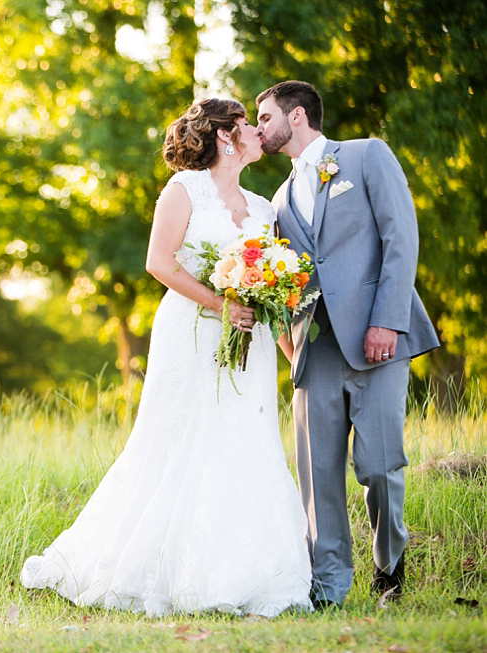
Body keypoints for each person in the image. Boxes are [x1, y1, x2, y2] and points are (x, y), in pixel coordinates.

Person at [20, 98, 312, 617]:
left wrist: (294, 356)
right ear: (224, 136)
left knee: (244, 439)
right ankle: (157, 569)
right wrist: (222, 303)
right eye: (245, 124)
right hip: (191, 333)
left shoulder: (263, 207)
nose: (254, 132)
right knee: (178, 439)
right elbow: (159, 262)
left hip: (251, 343)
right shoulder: (185, 190)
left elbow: (270, 291)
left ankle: (245, 574)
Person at [254, 80, 439, 608]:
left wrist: (387, 321)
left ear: (296, 115)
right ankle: (328, 588)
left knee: (379, 465)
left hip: (378, 341)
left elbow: (400, 239)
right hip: (315, 353)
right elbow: (283, 281)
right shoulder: (278, 199)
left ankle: (389, 569)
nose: (258, 129)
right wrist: (290, 345)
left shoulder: (364, 156)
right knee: (317, 477)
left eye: (265, 117)